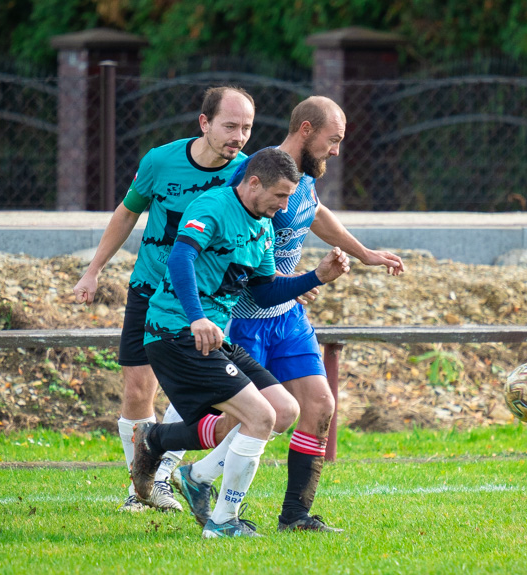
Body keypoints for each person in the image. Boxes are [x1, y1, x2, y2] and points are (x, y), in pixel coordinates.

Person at [169, 95, 405, 532]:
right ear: (307, 131)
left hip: (286, 315)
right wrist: (286, 280)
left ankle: (294, 515)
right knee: (250, 418)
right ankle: (170, 457)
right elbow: (226, 238)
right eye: (333, 140)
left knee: (319, 406)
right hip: (241, 317)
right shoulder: (253, 174)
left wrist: (365, 254)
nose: (336, 150)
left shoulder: (302, 178)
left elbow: (312, 214)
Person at [130, 147, 351, 538]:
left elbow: (264, 292)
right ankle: (222, 522)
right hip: (175, 332)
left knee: (283, 410)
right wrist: (197, 316)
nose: (284, 205)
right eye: (280, 195)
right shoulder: (212, 205)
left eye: (289, 197)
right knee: (259, 417)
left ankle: (170, 453)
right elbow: (180, 260)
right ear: (252, 183)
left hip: (211, 338)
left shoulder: (263, 228)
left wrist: (316, 276)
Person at [72, 86, 255, 512]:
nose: (239, 136)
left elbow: (259, 230)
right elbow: (126, 213)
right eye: (230, 126)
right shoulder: (160, 161)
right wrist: (94, 269)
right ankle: (140, 487)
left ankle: (167, 475)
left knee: (201, 393)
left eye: (247, 127)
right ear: (204, 123)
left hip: (205, 303)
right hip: (150, 290)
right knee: (138, 390)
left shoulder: (247, 172)